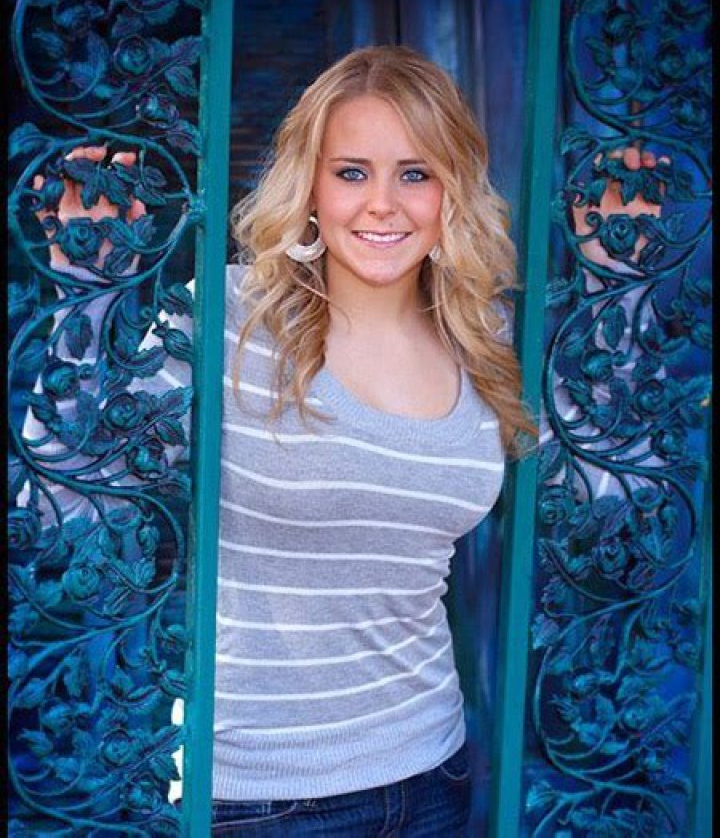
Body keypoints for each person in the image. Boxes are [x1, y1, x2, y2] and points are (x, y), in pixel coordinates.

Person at [24, 45, 662, 836]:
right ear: (311, 188)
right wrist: (90, 291)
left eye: (415, 173)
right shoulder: (225, 320)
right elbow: (61, 499)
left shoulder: (489, 340)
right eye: (352, 172)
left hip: (433, 775)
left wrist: (619, 284)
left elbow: (618, 500)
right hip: (257, 798)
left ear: (453, 190)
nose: (382, 205)